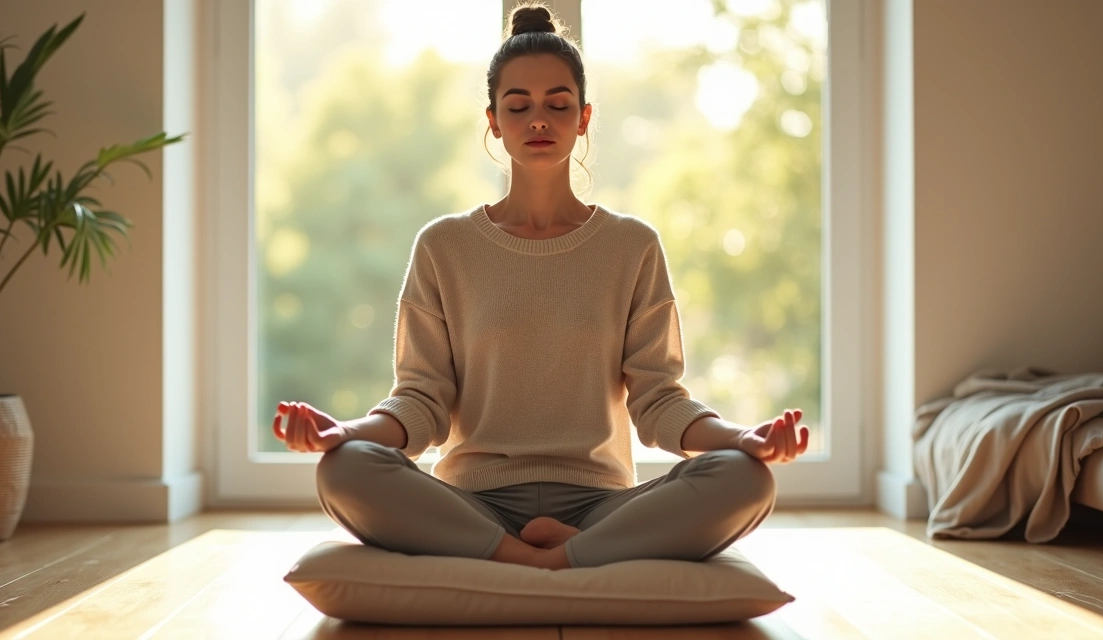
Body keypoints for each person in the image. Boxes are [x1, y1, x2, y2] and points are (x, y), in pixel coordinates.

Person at [273, 1, 809, 571]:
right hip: (472, 503)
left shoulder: (632, 247)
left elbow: (659, 401)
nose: (538, 120)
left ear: (583, 117)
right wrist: (346, 432)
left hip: (601, 504)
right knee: (345, 468)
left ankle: (553, 554)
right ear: (492, 120)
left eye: (558, 105)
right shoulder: (443, 247)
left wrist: (741, 440)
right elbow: (422, 401)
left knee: (745, 479)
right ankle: (548, 560)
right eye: (518, 105)